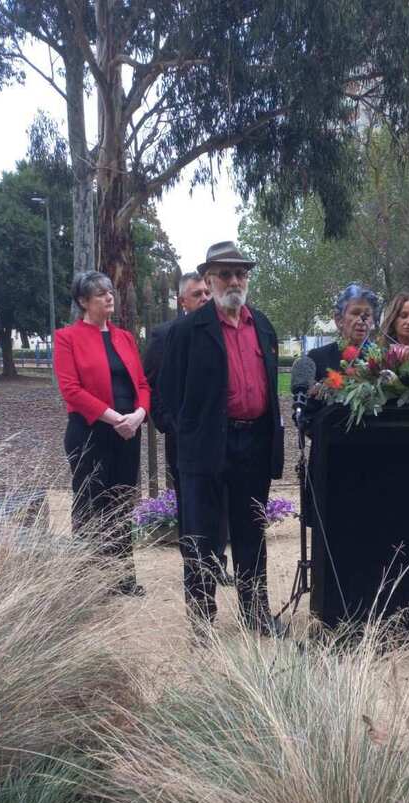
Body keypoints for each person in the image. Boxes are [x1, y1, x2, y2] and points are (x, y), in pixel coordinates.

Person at [159, 241, 285, 637]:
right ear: (209, 279)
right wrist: (193, 436)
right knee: (201, 537)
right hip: (205, 451)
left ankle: (255, 613)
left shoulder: (262, 325)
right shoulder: (186, 331)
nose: (234, 280)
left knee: (251, 534)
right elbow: (166, 397)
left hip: (254, 446)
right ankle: (202, 621)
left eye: (240, 273)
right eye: (225, 274)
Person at [54, 270, 151, 596]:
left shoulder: (125, 338)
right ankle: (88, 582)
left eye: (110, 291)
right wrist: (115, 419)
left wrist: (137, 416)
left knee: (122, 503)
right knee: (89, 504)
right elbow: (71, 390)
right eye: (100, 294)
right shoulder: (67, 338)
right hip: (90, 433)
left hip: (128, 432)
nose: (109, 297)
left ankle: (123, 578)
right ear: (83, 301)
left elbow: (141, 385)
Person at [142, 272, 232, 584]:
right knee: (191, 508)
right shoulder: (166, 335)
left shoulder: (223, 332)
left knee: (221, 504)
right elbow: (151, 385)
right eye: (198, 294)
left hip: (221, 438)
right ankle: (195, 566)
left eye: (208, 293)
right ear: (183, 301)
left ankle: (218, 561)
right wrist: (171, 425)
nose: (205, 298)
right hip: (185, 441)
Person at [307, 283, 379, 380]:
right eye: (355, 313)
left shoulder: (382, 359)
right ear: (339, 320)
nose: (362, 320)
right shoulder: (317, 358)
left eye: (367, 314)